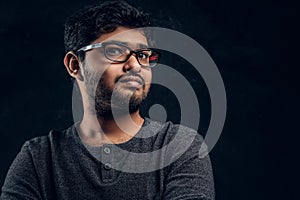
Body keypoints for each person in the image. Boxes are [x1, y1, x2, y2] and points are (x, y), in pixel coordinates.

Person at [1, 1, 215, 199]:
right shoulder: (39, 159)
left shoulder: (180, 147)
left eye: (143, 55)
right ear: (75, 65)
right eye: (115, 51)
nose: (134, 65)